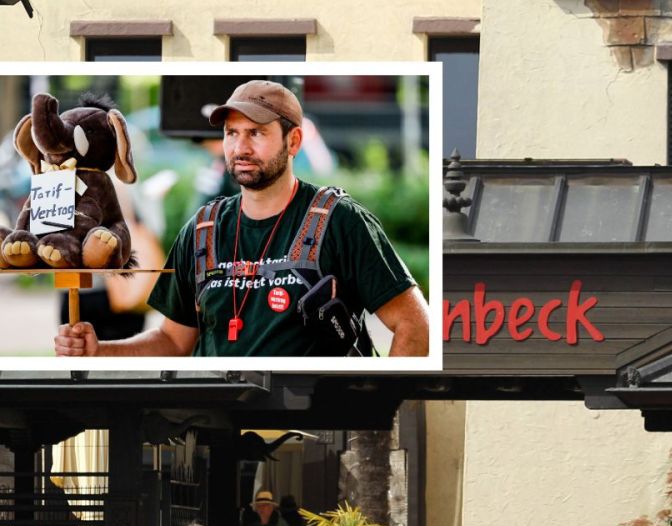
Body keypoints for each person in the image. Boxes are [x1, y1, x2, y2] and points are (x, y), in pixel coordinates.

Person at [53, 79, 429, 358]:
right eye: (231, 133)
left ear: (293, 142)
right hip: (215, 436)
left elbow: (415, 326)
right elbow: (173, 340)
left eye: (257, 133)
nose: (241, 147)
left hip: (314, 438)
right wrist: (100, 349)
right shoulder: (201, 229)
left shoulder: (340, 221)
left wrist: (374, 413)